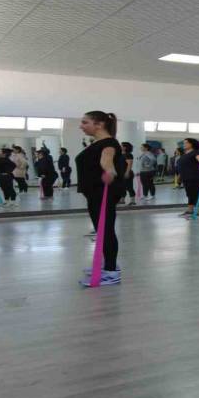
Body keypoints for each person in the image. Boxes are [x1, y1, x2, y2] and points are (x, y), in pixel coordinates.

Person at [76, 111, 127, 287]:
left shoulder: (108, 143)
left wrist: (110, 171)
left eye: (85, 122)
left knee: (105, 231)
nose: (81, 126)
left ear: (99, 124)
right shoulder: (98, 143)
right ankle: (108, 265)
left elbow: (107, 159)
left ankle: (112, 272)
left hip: (102, 193)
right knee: (102, 230)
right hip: (95, 193)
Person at [176, 139, 199, 218]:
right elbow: (183, 167)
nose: (184, 144)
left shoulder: (195, 153)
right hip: (186, 178)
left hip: (193, 178)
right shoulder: (185, 154)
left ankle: (198, 213)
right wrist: (179, 176)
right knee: (190, 195)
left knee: (195, 195)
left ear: (192, 144)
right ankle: (190, 211)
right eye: (184, 143)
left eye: (186, 143)